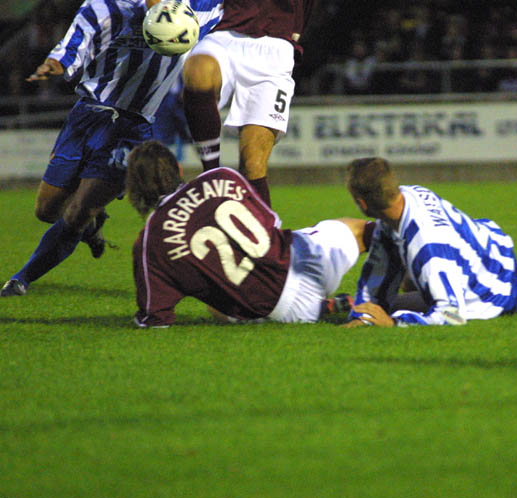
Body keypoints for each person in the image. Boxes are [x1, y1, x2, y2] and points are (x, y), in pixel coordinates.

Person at [1, 0, 224, 298]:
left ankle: (21, 279)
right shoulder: (106, 6)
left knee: (79, 210)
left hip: (133, 128)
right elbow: (76, 41)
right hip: (88, 116)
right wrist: (57, 63)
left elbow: (240, 17)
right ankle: (92, 226)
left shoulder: (200, 9)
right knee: (46, 210)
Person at [127, 140, 370, 327]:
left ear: (135, 188)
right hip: (308, 262)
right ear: (178, 168)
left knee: (217, 302)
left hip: (280, 311)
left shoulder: (149, 241)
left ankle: (319, 308)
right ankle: (403, 259)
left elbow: (156, 317)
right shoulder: (220, 176)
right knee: (361, 231)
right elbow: (271, 224)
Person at [343, 157, 517, 328]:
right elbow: (378, 275)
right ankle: (505, 281)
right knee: (408, 287)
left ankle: (506, 286)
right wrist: (364, 314)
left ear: (362, 203)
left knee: (404, 302)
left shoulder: (429, 251)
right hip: (491, 251)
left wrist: (393, 323)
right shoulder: (409, 196)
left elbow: (453, 316)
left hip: (495, 297)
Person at [181, 0, 315, 207]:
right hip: (225, 33)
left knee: (253, 164)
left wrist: (294, 33)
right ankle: (212, 175)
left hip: (276, 49)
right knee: (198, 70)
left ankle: (268, 235)